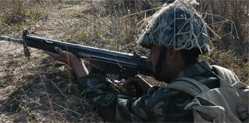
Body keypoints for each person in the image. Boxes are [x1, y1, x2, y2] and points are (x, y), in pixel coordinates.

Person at [46, 1, 241, 122]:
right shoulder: (224, 75)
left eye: (152, 51)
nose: (147, 59)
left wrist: (78, 67)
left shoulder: (168, 101)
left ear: (172, 53)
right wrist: (150, 91)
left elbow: (113, 109)